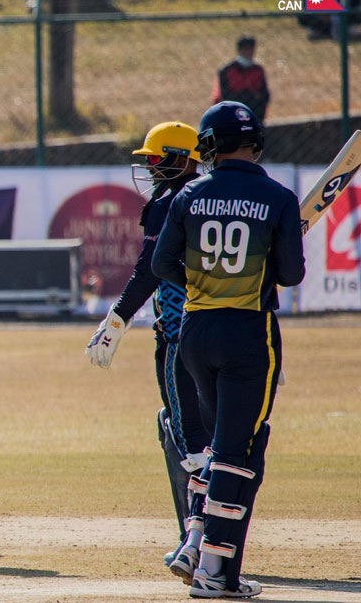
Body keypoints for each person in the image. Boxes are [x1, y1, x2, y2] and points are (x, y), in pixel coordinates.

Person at [152, 101, 305, 598]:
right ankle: (215, 573)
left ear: (210, 145)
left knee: (219, 447)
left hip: (195, 334)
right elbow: (291, 274)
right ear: (255, 142)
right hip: (248, 335)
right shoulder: (278, 197)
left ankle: (198, 546)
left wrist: (205, 281)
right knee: (239, 453)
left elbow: (162, 263)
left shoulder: (189, 194)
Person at [85, 122, 213, 575]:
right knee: (218, 442)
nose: (151, 170)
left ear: (180, 159)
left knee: (188, 440)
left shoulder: (169, 201)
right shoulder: (214, 199)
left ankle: (197, 543)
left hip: (181, 338)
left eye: (156, 160)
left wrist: (115, 320)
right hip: (227, 334)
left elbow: (148, 271)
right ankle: (203, 539)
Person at [211, 36, 270, 124]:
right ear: (239, 50)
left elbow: (265, 95)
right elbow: (224, 96)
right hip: (231, 112)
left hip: (254, 111)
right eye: (246, 49)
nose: (249, 52)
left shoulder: (258, 70)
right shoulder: (226, 70)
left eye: (251, 49)